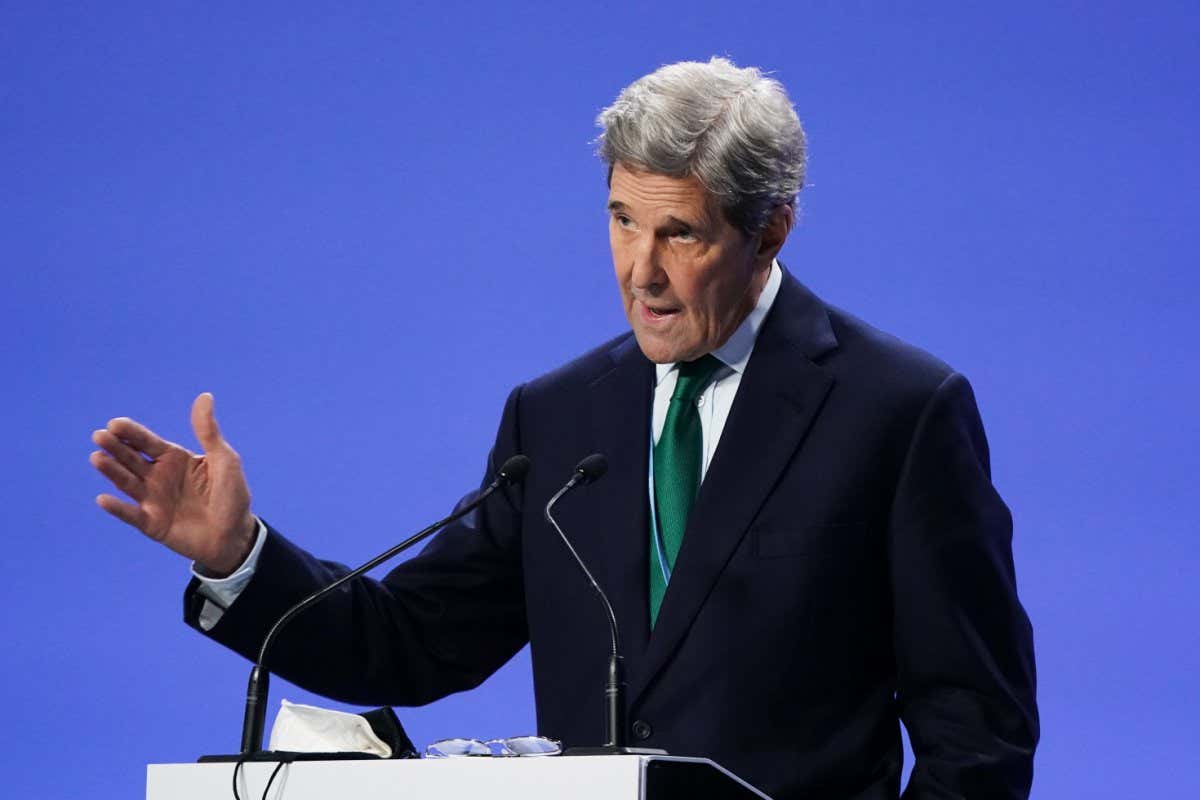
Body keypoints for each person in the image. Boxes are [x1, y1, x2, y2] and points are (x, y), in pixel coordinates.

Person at [90, 58, 1038, 799]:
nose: (641, 271)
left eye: (683, 234)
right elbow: (414, 642)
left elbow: (976, 722)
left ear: (773, 230)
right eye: (623, 222)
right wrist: (236, 558)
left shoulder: (897, 410)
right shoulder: (559, 417)